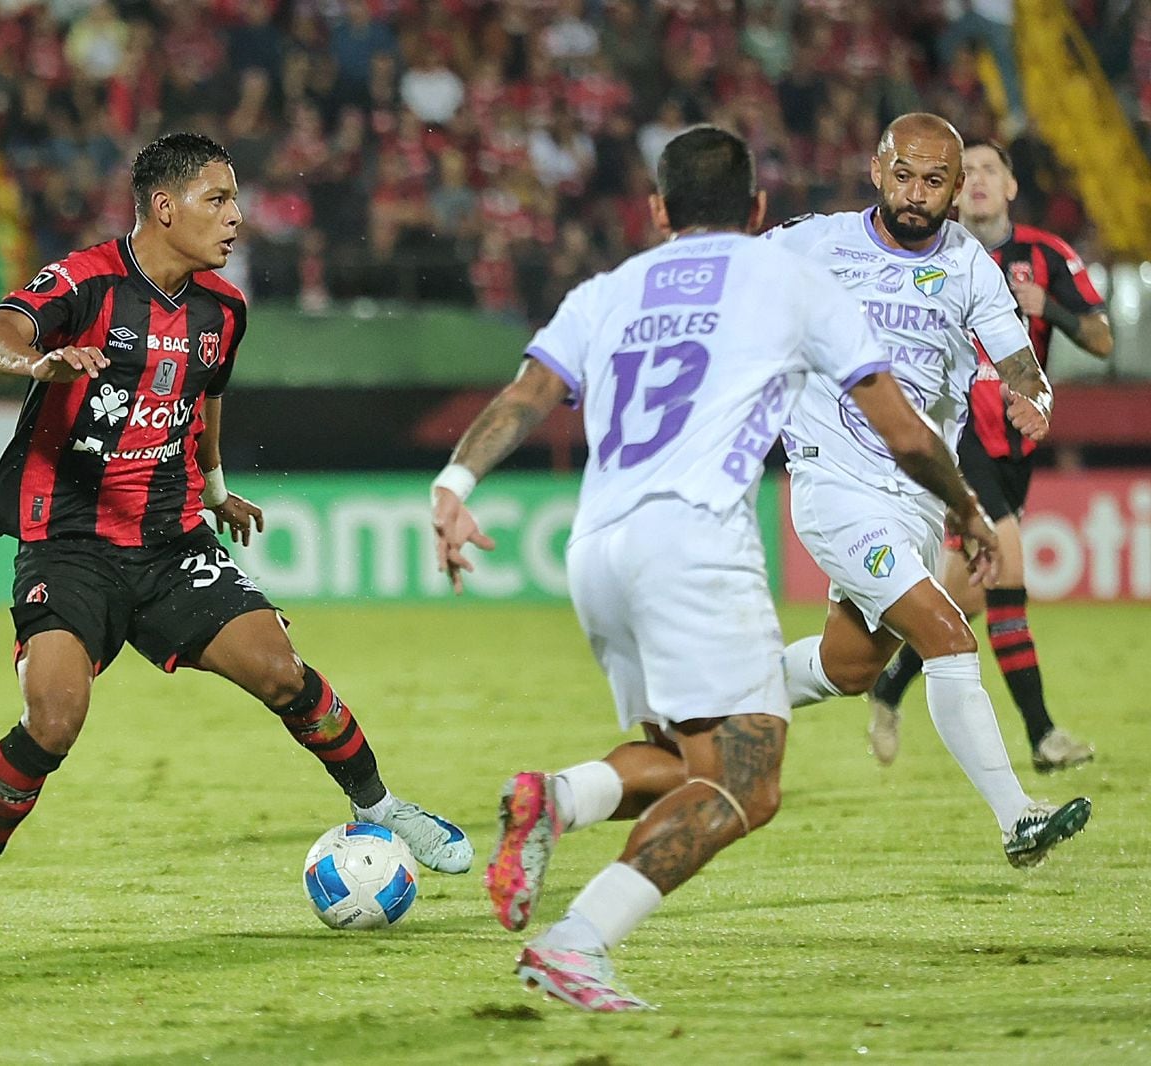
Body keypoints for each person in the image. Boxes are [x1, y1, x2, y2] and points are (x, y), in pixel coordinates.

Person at [432, 126, 1000, 1012]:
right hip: (693, 544)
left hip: (598, 550)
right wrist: (967, 508)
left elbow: (526, 396)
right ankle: (577, 944)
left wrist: (455, 482)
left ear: (657, 211)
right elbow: (900, 427)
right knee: (746, 781)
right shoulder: (792, 278)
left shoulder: (607, 289)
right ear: (759, 210)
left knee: (689, 753)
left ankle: (556, 800)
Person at [0, 132, 471, 934]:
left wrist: (215, 488)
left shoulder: (224, 309)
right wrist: (38, 365)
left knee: (283, 671)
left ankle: (384, 808)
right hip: (69, 543)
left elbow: (205, 398)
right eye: (219, 200)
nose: (237, 218)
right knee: (54, 719)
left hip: (173, 543)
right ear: (164, 207)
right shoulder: (85, 280)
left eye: (236, 200)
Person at [765, 115, 1090, 862]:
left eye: (934, 181)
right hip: (836, 486)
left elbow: (1018, 364)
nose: (916, 194)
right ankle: (1017, 820)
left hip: (914, 497)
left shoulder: (969, 263)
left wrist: (1032, 396)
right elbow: (717, 273)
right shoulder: (814, 240)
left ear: (953, 191)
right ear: (877, 170)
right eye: (904, 175)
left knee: (849, 667)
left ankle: (718, 697)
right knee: (949, 635)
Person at [868, 139, 1112, 772]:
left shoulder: (1046, 255)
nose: (974, 179)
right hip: (952, 435)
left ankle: (889, 685)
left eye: (986, 170)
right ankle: (1042, 737)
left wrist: (1048, 307)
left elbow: (1102, 338)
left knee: (965, 597)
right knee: (1006, 566)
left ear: (1009, 186)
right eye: (963, 170)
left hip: (1014, 440)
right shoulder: (923, 250)